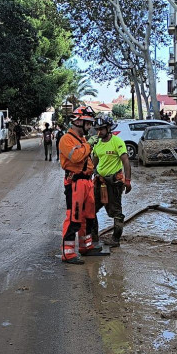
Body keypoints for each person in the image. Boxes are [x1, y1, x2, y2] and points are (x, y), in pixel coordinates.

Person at [58, 106, 98, 264]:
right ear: (78, 121)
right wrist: (89, 145)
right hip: (75, 182)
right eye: (87, 123)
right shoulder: (66, 139)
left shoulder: (82, 139)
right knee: (74, 218)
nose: (89, 127)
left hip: (87, 181)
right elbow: (75, 157)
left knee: (88, 217)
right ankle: (67, 253)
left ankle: (85, 246)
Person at [91, 115, 132, 248]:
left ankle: (115, 239)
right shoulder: (97, 143)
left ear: (108, 128)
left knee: (116, 211)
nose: (99, 132)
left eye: (102, 129)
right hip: (100, 181)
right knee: (91, 208)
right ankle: (93, 237)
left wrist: (128, 180)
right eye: (97, 129)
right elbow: (94, 162)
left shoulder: (117, 142)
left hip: (114, 183)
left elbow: (126, 161)